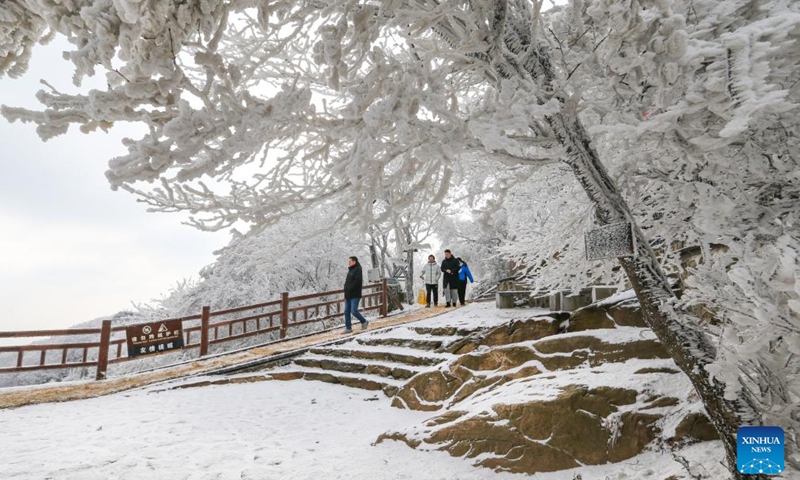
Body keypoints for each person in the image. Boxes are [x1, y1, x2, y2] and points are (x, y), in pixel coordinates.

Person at [343, 256, 369, 333]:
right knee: (346, 311)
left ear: (354, 261)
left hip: (355, 294)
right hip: (348, 294)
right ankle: (348, 328)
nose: (349, 262)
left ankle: (364, 321)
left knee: (353, 311)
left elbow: (357, 282)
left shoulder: (358, 269)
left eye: (350, 261)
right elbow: (347, 282)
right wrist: (345, 288)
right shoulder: (350, 270)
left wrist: (349, 289)